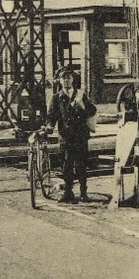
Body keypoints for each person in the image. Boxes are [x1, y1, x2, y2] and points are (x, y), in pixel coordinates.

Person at [49, 67, 96, 202]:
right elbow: (52, 116)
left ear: (73, 80)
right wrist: (49, 126)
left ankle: (83, 192)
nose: (66, 81)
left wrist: (82, 106)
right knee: (67, 165)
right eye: (63, 78)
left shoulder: (81, 95)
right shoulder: (56, 98)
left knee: (81, 164)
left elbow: (92, 110)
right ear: (59, 81)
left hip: (80, 135)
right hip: (66, 136)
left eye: (68, 78)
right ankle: (68, 193)